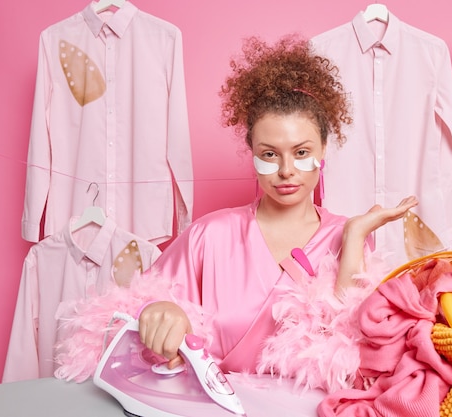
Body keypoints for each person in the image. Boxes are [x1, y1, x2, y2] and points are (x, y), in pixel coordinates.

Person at [54, 33, 417, 382]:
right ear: (253, 154)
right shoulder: (207, 236)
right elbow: (137, 311)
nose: (286, 170)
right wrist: (157, 313)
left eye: (302, 152)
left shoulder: (349, 238)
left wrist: (354, 237)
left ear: (323, 150)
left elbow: (351, 346)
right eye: (269, 154)